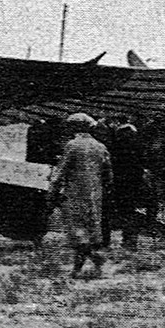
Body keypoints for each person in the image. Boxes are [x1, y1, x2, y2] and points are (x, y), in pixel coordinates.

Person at [51, 113, 111, 279]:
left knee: (77, 232)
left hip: (75, 193)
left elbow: (60, 172)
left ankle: (94, 259)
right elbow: (108, 174)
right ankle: (81, 268)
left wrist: (53, 192)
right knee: (92, 230)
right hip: (95, 195)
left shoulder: (72, 145)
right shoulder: (100, 146)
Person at [102, 113, 150, 250]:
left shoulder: (118, 138)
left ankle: (109, 241)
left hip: (120, 178)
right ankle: (130, 240)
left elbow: (113, 159)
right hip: (135, 178)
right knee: (131, 209)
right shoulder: (136, 137)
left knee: (117, 208)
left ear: (118, 123)